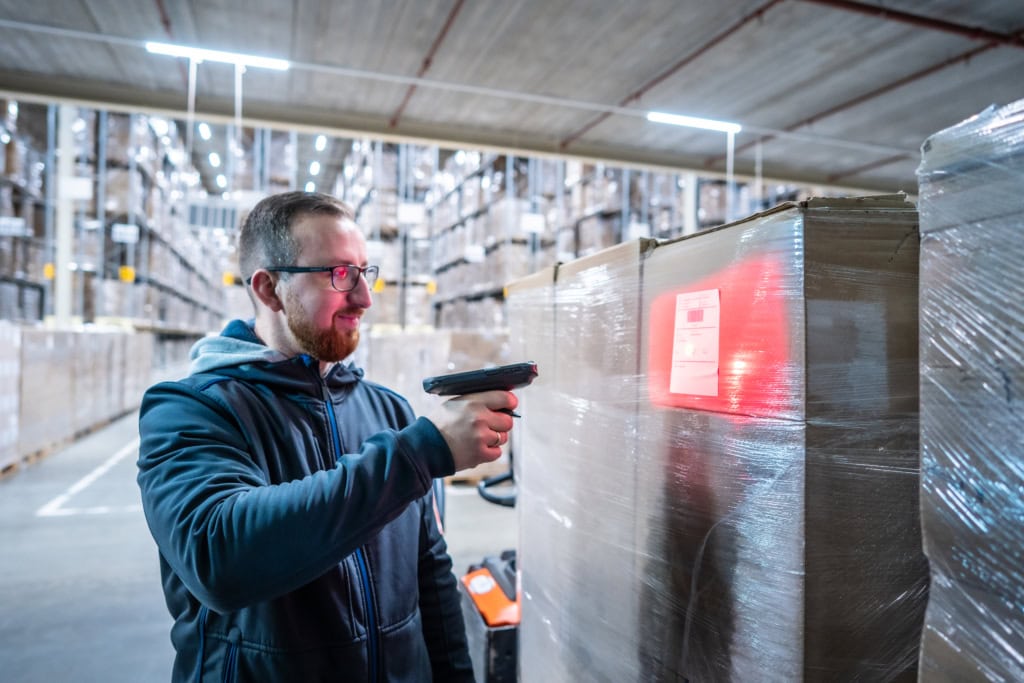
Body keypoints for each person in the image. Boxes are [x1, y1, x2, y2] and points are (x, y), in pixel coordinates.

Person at [136, 190, 517, 681]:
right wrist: (420, 454)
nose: (363, 297)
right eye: (339, 274)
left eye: (364, 272)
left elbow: (431, 577)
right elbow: (217, 556)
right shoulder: (191, 410)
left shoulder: (388, 411)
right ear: (269, 289)